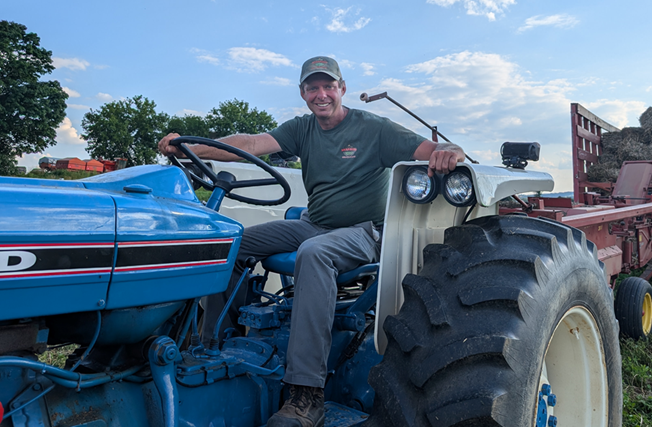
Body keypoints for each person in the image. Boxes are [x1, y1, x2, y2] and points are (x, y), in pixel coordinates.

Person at [159, 56, 465, 427]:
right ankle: (217, 345)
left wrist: (451, 151)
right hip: (313, 223)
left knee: (315, 253)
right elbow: (252, 142)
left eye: (328, 86)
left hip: (363, 231)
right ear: (303, 93)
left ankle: (306, 393)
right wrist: (191, 147)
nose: (321, 94)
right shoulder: (302, 129)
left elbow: (429, 150)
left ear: (342, 88)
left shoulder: (374, 128)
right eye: (312, 87)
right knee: (230, 242)